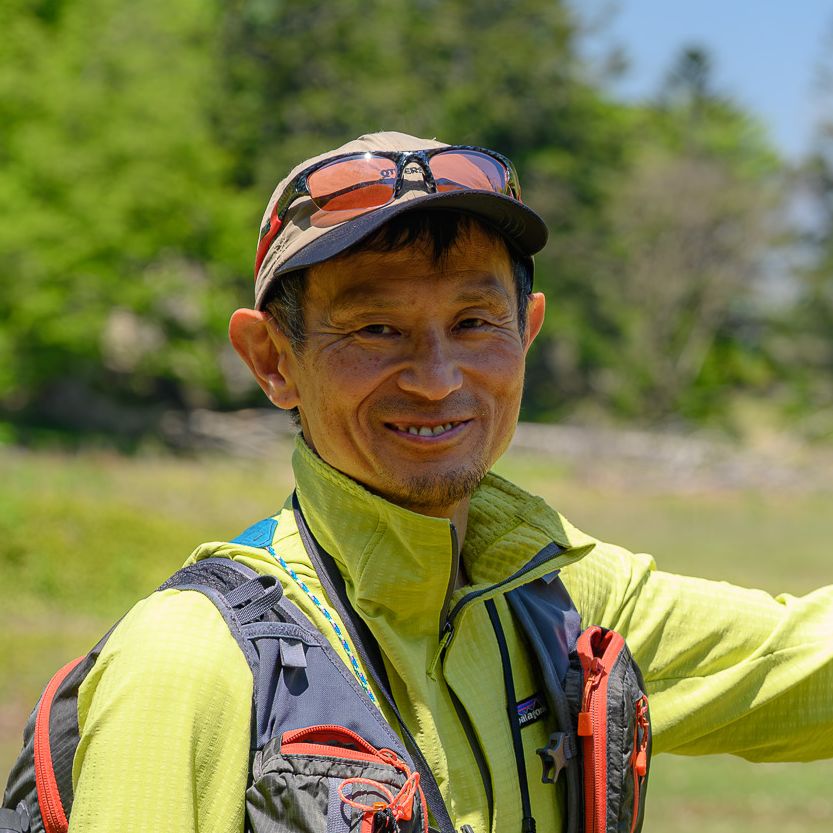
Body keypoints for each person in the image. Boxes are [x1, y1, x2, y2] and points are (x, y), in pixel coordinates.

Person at [61, 132, 833, 831]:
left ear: (524, 332)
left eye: (473, 323)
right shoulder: (192, 658)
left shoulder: (563, 601)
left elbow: (808, 663)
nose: (435, 379)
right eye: (374, 329)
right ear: (272, 360)